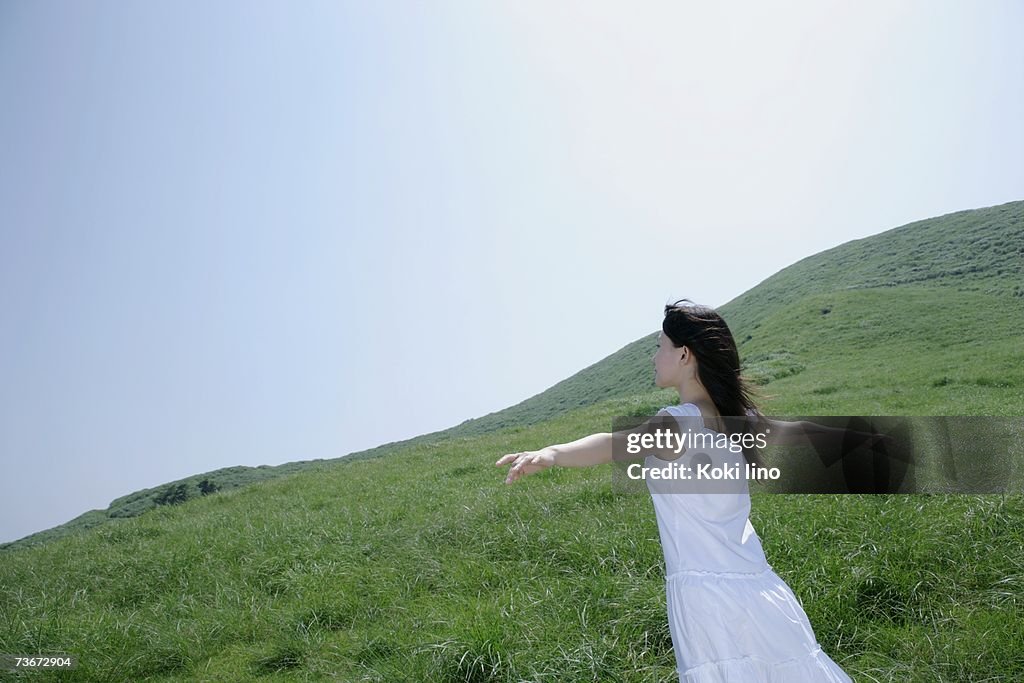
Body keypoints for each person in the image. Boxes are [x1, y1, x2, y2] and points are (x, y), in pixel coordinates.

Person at [495, 299, 853, 682]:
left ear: (684, 355)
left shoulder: (679, 423)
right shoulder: (738, 421)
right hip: (762, 590)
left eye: (660, 345)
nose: (654, 356)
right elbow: (800, 432)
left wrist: (551, 453)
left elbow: (614, 444)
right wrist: (863, 438)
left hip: (709, 601)